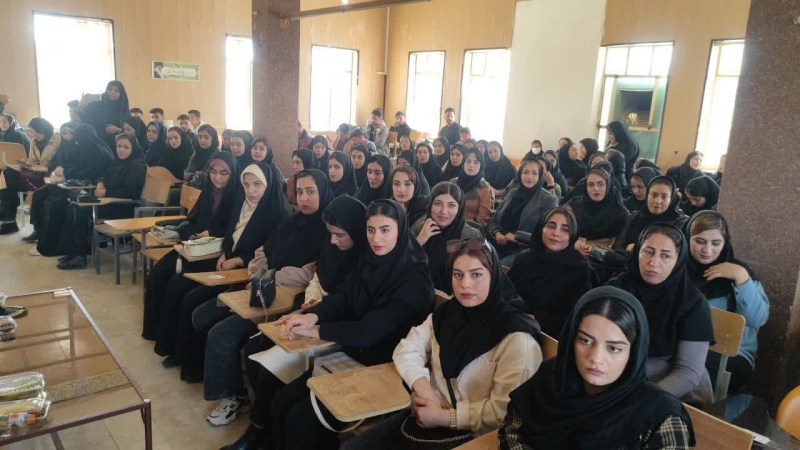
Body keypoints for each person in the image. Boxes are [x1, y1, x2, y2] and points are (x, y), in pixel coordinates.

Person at [222, 200, 435, 450]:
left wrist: (317, 330)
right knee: (281, 400)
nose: (376, 238)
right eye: (370, 230)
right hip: (353, 353)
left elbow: (369, 331)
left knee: (299, 419)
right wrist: (313, 315)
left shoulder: (415, 281)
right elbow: (344, 294)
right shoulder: (370, 262)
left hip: (384, 367)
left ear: (401, 231)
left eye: (385, 230)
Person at [344, 238, 544, 450]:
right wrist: (425, 391)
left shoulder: (518, 339)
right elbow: (407, 349)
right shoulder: (448, 313)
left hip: (474, 435)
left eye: (476, 274)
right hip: (427, 413)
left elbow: (503, 412)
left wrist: (444, 417)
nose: (465, 284)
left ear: (494, 277)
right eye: (458, 274)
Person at [193, 170, 332, 405]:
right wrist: (261, 274)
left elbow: (309, 274)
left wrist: (271, 277)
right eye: (299, 192)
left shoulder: (328, 230)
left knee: (221, 334)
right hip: (259, 287)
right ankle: (227, 373)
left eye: (311, 192)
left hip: (285, 300)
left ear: (323, 192)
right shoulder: (291, 221)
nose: (303, 199)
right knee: (201, 315)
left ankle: (232, 397)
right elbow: (262, 252)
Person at [500, 286, 695, 449]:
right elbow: (512, 428)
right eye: (585, 340)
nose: (595, 358)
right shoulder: (552, 376)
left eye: (614, 348)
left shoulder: (660, 415)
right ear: (571, 339)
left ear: (634, 352)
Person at [153, 163, 290, 377]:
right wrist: (226, 252)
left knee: (192, 301)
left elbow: (268, 253)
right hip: (226, 266)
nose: (251, 190)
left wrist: (237, 260)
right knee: (184, 292)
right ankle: (183, 356)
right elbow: (230, 234)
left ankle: (194, 367)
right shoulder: (241, 203)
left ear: (268, 185)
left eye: (257, 185)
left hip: (245, 274)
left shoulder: (277, 214)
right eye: (246, 185)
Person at [606, 224, 715, 405]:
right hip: (617, 377)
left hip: (672, 392)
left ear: (678, 259)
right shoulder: (616, 289)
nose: (654, 262)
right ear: (637, 252)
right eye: (648, 252)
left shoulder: (692, 302)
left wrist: (640, 402)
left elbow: (687, 372)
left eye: (665, 255)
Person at [142, 152, 239, 341]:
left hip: (214, 253)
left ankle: (168, 341)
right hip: (191, 247)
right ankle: (154, 331)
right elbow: (191, 219)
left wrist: (210, 232)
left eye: (223, 173)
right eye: (213, 172)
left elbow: (233, 229)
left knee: (177, 285)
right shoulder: (207, 192)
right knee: (157, 273)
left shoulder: (236, 196)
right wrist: (189, 233)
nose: (217, 178)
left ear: (232, 175)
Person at [685, 211, 768, 393]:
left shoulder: (740, 272)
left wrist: (741, 279)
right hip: (682, 345)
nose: (707, 250)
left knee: (689, 368)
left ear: (725, 243)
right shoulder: (675, 268)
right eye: (699, 241)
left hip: (731, 356)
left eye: (716, 243)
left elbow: (757, 319)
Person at [56, 134, 146, 269]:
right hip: (109, 202)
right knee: (73, 207)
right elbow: (105, 175)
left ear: (133, 148)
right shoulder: (117, 162)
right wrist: (101, 183)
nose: (121, 150)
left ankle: (80, 256)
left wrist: (105, 193)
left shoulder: (136, 166)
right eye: (119, 146)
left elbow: (132, 192)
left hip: (124, 207)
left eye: (126, 147)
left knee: (81, 210)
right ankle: (72, 251)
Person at [508, 206, 596, 337]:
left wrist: (534, 319)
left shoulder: (581, 271)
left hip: (545, 336)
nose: (556, 233)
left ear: (572, 235)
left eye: (565, 229)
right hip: (509, 322)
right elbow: (507, 293)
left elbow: (572, 319)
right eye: (551, 226)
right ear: (541, 228)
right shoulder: (524, 259)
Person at [30, 124, 115, 255]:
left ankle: (52, 245)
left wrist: (66, 172)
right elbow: (75, 165)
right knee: (41, 194)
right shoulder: (87, 147)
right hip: (74, 184)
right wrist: (64, 170)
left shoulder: (96, 151)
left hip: (87, 190)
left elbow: (89, 173)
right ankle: (40, 234)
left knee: (53, 203)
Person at [412, 182, 481, 292]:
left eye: (451, 205)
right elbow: (401, 264)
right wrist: (419, 241)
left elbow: (474, 278)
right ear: (430, 205)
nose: (443, 211)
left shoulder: (470, 236)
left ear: (459, 208)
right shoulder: (420, 227)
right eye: (438, 203)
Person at [488, 159, 558, 264]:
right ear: (520, 174)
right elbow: (494, 217)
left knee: (496, 267)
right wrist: (497, 232)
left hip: (523, 250)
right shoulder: (513, 193)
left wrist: (517, 236)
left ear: (540, 176)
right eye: (525, 172)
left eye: (534, 173)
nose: (529, 177)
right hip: (498, 243)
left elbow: (548, 235)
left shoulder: (548, 199)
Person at [0, 117, 59, 232]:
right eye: (32, 132)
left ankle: (8, 219)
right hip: (35, 174)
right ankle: (8, 219)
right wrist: (24, 164)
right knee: (7, 175)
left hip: (50, 175)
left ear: (45, 130)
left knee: (8, 183)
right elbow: (32, 160)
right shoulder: (33, 141)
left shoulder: (57, 141)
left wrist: (38, 167)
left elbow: (59, 163)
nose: (34, 135)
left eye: (37, 132)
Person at [613, 176, 689, 253]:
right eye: (654, 195)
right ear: (647, 195)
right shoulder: (635, 216)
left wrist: (635, 248)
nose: (658, 201)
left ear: (671, 199)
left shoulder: (680, 222)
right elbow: (617, 247)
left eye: (664, 197)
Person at [568, 167, 630, 254]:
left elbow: (620, 248)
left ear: (608, 185)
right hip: (573, 252)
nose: (596, 188)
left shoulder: (621, 213)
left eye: (600, 184)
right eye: (590, 185)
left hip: (605, 258)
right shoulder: (574, 205)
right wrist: (573, 241)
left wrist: (595, 251)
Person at [79, 80, 131, 149]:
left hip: (117, 147)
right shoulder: (95, 106)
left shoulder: (124, 110)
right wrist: (82, 107)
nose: (112, 92)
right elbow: (86, 122)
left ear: (121, 94)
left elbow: (130, 133)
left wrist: (118, 130)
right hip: (97, 145)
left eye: (116, 90)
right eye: (110, 89)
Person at [455, 147, 494, 230]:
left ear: (481, 166)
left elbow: (481, 221)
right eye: (468, 161)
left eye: (476, 162)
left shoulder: (485, 189)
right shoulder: (453, 182)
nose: (471, 165)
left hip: (468, 230)